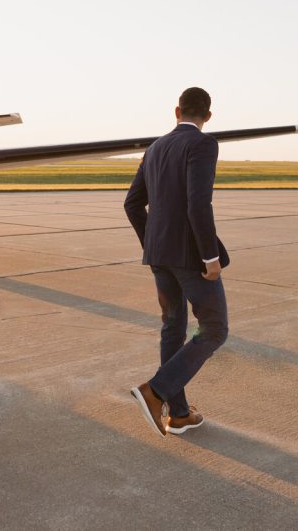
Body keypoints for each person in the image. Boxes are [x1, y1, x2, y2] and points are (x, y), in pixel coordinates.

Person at [124, 87, 230, 438]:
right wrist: (210, 257)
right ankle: (155, 392)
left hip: (159, 255)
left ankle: (179, 414)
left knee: (173, 328)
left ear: (176, 111)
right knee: (214, 329)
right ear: (208, 116)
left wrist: (154, 244)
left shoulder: (153, 148)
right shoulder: (203, 144)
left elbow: (132, 204)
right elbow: (198, 204)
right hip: (190, 257)